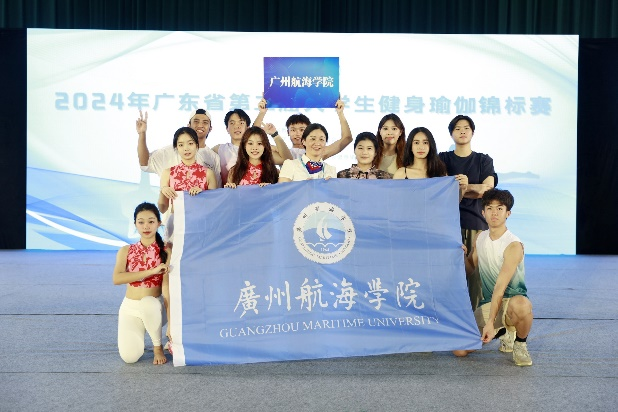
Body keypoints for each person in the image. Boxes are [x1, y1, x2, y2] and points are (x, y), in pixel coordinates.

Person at [453, 189, 533, 367]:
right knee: (459, 350)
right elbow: (470, 269)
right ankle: (503, 331)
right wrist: (462, 257)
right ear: (483, 212)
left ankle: (520, 343)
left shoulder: (513, 245)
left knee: (522, 305)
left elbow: (499, 288)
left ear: (508, 213)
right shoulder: (480, 237)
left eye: (499, 208)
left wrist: (490, 323)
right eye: (489, 208)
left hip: (511, 301)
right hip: (489, 304)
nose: (494, 213)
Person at [439, 115, 497, 311]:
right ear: (451, 133)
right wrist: (474, 188)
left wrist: (463, 186)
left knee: (476, 276)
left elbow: (487, 190)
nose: (462, 131)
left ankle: (476, 319)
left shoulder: (483, 160)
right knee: (448, 275)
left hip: (476, 223)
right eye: (457, 128)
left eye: (466, 128)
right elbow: (441, 189)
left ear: (472, 132)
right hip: (448, 224)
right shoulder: (443, 159)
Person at [112, 202, 170, 365]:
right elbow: (117, 279)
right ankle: (142, 334)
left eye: (151, 221)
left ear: (159, 223)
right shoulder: (125, 250)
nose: (146, 226)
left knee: (148, 303)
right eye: (141, 222)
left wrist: (171, 322)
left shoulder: (166, 251)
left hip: (155, 306)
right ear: (135, 224)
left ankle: (157, 346)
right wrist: (151, 271)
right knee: (130, 358)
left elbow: (166, 287)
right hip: (130, 307)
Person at [136, 109, 222, 188]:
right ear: (189, 125)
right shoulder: (169, 151)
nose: (200, 125)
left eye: (205, 122)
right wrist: (142, 134)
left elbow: (216, 191)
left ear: (210, 128)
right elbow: (145, 163)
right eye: (196, 121)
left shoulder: (213, 157)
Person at [212, 105, 292, 184]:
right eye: (232, 123)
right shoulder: (219, 149)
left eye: (241, 123)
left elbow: (287, 160)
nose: (237, 126)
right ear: (227, 128)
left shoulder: (260, 151)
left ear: (247, 127)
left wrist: (275, 135)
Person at [260, 99, 353, 160]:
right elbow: (253, 141)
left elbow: (347, 139)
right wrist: (262, 113)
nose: (297, 133)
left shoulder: (319, 151)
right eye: (293, 130)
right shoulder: (279, 151)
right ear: (288, 132)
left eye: (302, 130)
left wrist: (340, 113)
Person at [393, 127, 468, 197]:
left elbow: (448, 202)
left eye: (425, 142)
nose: (421, 147)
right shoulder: (401, 174)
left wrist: (463, 189)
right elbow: (394, 202)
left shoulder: (440, 172)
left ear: (430, 146)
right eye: (416, 143)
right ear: (410, 147)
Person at [158, 127, 216, 216]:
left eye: (190, 143)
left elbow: (214, 206)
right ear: (176, 148)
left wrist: (203, 194)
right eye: (181, 145)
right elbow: (162, 209)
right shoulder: (168, 173)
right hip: (178, 222)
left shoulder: (208, 173)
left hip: (201, 221)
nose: (186, 148)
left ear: (197, 145)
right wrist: (163, 190)